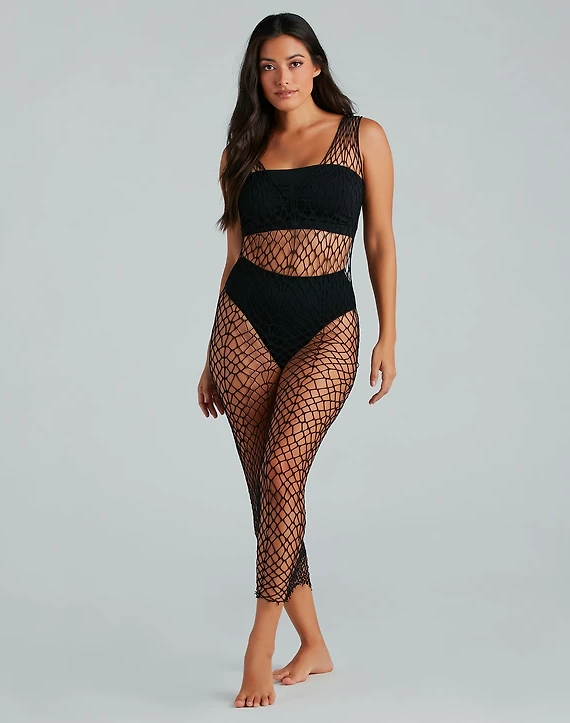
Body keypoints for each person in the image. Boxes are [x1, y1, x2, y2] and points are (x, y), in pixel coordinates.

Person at [197, 12, 397, 709]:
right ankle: (314, 644)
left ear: (316, 65)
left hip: (326, 323)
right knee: (269, 490)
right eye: (266, 66)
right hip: (244, 323)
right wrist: (210, 354)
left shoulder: (361, 136)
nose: (280, 77)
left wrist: (388, 335)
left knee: (284, 471)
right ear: (255, 77)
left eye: (292, 62)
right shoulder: (242, 150)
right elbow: (233, 255)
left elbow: (380, 240)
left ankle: (259, 642)